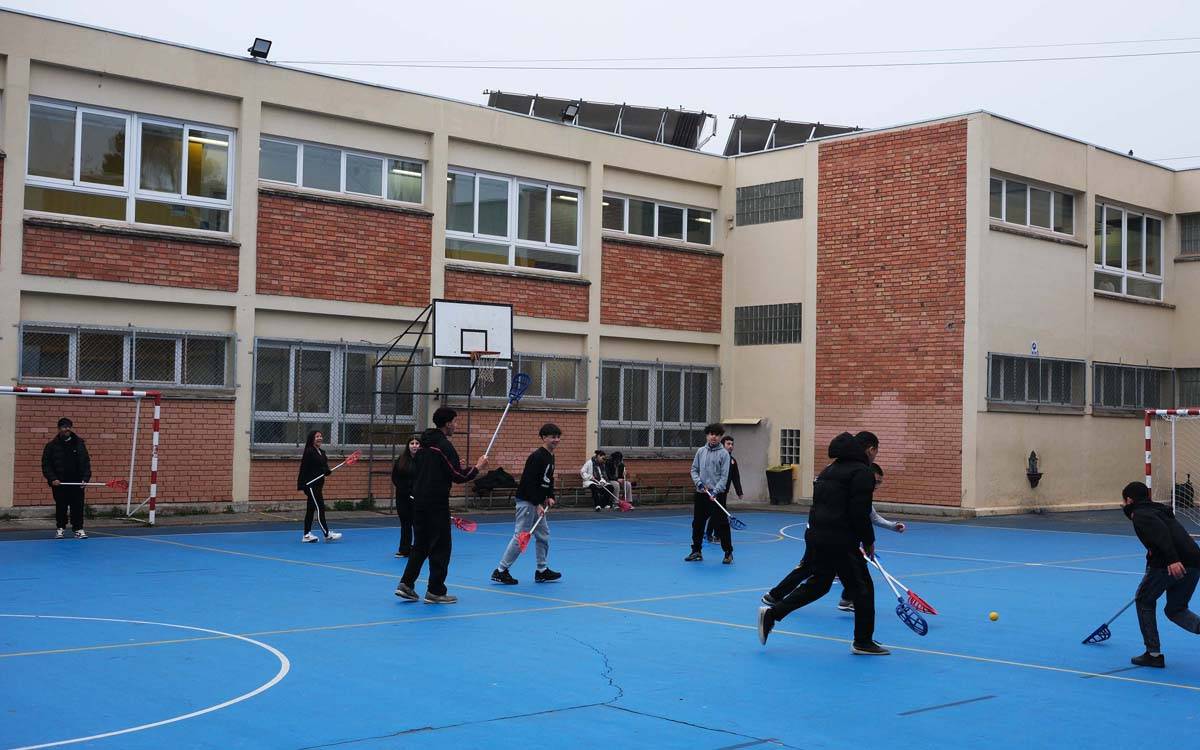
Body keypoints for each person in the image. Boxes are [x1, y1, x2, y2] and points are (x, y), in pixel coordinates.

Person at [758, 432, 885, 655]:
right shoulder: (862, 473)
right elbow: (860, 513)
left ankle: (772, 614)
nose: (875, 456)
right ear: (869, 449)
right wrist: (869, 542)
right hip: (841, 539)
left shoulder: (828, 471)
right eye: (876, 451)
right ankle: (863, 641)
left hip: (816, 535)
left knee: (819, 583)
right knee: (863, 587)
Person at [761, 462, 902, 611]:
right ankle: (775, 597)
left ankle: (847, 599)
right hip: (821, 534)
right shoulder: (846, 488)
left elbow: (870, 515)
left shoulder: (860, 489)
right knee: (810, 569)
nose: (876, 485)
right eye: (876, 481)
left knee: (856, 566)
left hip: (834, 536)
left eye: (879, 483)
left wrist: (892, 526)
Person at [395, 407, 488, 604]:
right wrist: (477, 468)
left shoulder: (424, 445)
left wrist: (456, 466)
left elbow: (437, 471)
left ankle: (406, 584)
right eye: (455, 421)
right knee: (441, 547)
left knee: (420, 545)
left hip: (418, 502)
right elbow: (459, 477)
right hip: (435, 503)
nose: (457, 425)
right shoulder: (443, 445)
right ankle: (436, 591)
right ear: (447, 424)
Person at [1121, 481, 1200, 668]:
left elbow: (1161, 533)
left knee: (1144, 600)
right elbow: (1165, 535)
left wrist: (1172, 559)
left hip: (1171, 563)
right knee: (1175, 610)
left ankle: (1153, 654)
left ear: (1129, 500)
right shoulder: (1158, 510)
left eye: (1124, 501)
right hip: (1194, 561)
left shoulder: (1140, 514)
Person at [491, 423, 563, 585]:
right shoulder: (537, 456)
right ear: (544, 437)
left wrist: (549, 495)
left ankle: (542, 570)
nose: (556, 440)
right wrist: (537, 503)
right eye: (553, 437)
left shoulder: (550, 456)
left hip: (537, 502)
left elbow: (548, 479)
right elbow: (529, 481)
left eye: (558, 437)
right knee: (521, 536)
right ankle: (501, 571)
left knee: (543, 535)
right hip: (528, 502)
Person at [685, 423, 733, 564]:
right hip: (701, 494)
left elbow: (724, 477)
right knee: (698, 523)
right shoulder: (700, 451)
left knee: (721, 525)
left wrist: (716, 491)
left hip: (717, 495)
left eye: (717, 435)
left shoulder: (724, 454)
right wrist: (698, 483)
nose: (714, 437)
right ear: (707, 435)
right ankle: (696, 551)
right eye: (711, 434)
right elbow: (694, 470)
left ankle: (728, 552)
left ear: (720, 437)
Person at [42, 417, 91, 539]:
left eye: (69, 426)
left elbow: (86, 463)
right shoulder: (51, 446)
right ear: (59, 429)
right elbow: (46, 465)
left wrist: (85, 478)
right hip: (59, 483)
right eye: (64, 427)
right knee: (61, 507)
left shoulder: (79, 444)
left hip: (77, 482)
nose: (67, 429)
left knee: (77, 507)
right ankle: (60, 529)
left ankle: (78, 529)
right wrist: (52, 478)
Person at [297, 430, 343, 543]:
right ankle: (327, 534)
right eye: (317, 436)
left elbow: (323, 467)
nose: (319, 438)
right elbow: (304, 468)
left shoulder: (322, 452)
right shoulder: (309, 452)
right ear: (312, 439)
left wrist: (327, 471)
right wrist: (302, 485)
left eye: (321, 436)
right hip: (311, 485)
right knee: (320, 508)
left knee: (310, 509)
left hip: (318, 484)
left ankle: (306, 535)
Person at [706, 436, 743, 543]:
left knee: (719, 513)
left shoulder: (733, 461)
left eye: (732, 444)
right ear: (722, 445)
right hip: (714, 490)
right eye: (728, 444)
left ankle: (716, 534)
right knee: (717, 513)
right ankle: (710, 534)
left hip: (724, 491)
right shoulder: (717, 457)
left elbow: (735, 477)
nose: (731, 446)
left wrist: (739, 492)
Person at [391, 434, 421, 558]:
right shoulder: (401, 460)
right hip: (402, 497)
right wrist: (404, 490)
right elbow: (395, 477)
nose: (414, 446)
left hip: (418, 498)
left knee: (418, 524)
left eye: (417, 443)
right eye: (412, 443)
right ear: (408, 446)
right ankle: (404, 549)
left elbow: (424, 479)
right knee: (405, 523)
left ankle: (420, 548)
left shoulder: (424, 461)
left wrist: (417, 492)